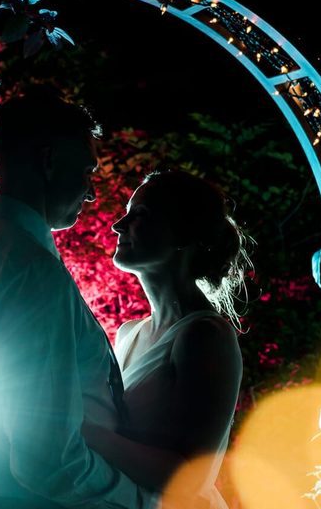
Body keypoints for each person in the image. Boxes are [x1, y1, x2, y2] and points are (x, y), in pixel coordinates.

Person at [0, 90, 154, 509]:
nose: (91, 193)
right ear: (49, 161)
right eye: (87, 171)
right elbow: (49, 461)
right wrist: (142, 503)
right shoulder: (30, 268)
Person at [83, 170, 248, 508]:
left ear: (183, 233)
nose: (118, 225)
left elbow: (188, 476)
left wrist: (86, 432)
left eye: (140, 215)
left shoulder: (205, 335)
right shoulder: (128, 333)